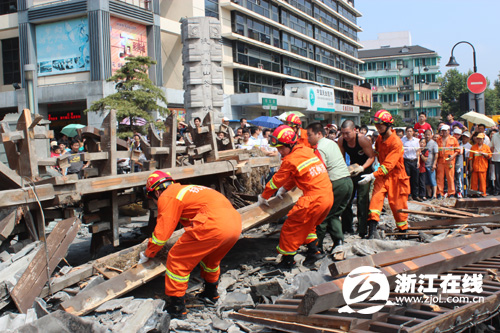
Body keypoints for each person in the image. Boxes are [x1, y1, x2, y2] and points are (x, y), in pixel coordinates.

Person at [139, 171, 242, 318]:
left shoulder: (167, 196)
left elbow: (161, 235)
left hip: (213, 224)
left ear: (156, 192)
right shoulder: (186, 190)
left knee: (176, 259)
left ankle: (177, 307)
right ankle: (211, 293)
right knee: (211, 260)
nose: (155, 202)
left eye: (152, 199)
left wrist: (148, 253)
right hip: (234, 224)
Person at [258, 125, 333, 268]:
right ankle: (314, 252)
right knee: (308, 225)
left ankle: (288, 261)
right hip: (327, 196)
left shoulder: (290, 159)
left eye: (281, 148)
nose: (279, 152)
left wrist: (264, 196)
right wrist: (285, 189)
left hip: (313, 199)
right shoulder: (306, 151)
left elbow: (275, 181)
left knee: (290, 227)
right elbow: (297, 173)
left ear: (290, 144)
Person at [358, 110, 410, 238]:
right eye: (376, 125)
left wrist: (372, 175)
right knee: (375, 201)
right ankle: (372, 231)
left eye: (380, 125)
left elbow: (388, 166)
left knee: (398, 205)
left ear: (388, 125)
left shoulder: (396, 142)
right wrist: (369, 153)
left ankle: (403, 230)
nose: (378, 128)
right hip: (382, 175)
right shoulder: (380, 138)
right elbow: (379, 153)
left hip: (396, 177)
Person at [306, 122, 352, 253]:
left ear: (319, 134)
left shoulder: (319, 148)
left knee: (322, 216)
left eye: (310, 135)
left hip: (336, 182)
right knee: (334, 214)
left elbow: (320, 170)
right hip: (347, 181)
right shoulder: (331, 143)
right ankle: (338, 241)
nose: (308, 138)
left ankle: (316, 247)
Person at [338, 120, 375, 238]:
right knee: (346, 198)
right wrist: (344, 170)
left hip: (365, 169)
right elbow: (342, 157)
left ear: (354, 130)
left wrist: (363, 168)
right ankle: (347, 227)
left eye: (347, 133)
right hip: (353, 169)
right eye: (343, 133)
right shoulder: (341, 141)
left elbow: (371, 157)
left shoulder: (363, 140)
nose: (345, 136)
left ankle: (362, 229)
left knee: (362, 200)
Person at [436, 125, 460, 198]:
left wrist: (453, 156)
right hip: (440, 160)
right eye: (443, 131)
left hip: (450, 161)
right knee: (440, 177)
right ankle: (440, 192)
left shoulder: (453, 139)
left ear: (449, 131)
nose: (444, 132)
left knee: (450, 177)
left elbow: (457, 150)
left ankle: (451, 193)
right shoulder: (438, 139)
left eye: (445, 130)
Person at [402, 127, 421, 201]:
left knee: (415, 179)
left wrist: (418, 161)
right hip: (406, 161)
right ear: (406, 132)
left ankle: (415, 195)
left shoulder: (416, 141)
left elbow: (418, 151)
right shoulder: (402, 140)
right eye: (408, 131)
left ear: (413, 132)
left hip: (414, 160)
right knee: (407, 178)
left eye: (411, 131)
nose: (409, 132)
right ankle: (408, 194)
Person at [424, 129, 439, 199]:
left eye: (429, 135)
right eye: (426, 135)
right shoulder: (423, 143)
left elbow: (436, 154)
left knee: (433, 180)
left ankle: (434, 194)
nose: (427, 136)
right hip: (424, 165)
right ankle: (429, 194)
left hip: (431, 164)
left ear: (431, 135)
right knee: (426, 181)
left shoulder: (434, 143)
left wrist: (434, 164)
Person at [453, 128, 465, 198]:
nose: (456, 136)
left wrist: (455, 152)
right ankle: (452, 191)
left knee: (459, 177)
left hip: (458, 163)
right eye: (455, 134)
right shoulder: (450, 141)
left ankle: (459, 191)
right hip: (450, 162)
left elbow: (460, 152)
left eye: (458, 135)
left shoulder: (460, 142)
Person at [490, 125, 500, 195]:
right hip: (497, 158)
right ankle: (497, 189)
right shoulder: (495, 136)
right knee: (497, 175)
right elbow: (492, 146)